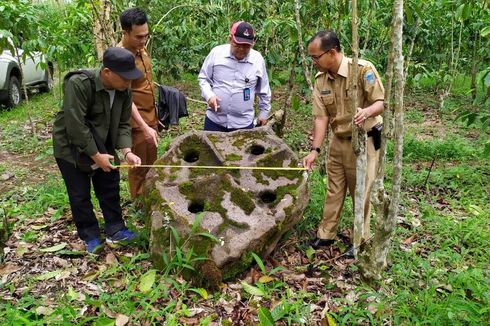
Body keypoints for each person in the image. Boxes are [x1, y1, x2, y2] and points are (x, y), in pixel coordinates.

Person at [53, 47, 143, 253]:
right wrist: (95, 156)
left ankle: (115, 229)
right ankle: (90, 235)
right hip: (70, 147)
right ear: (107, 72)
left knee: (109, 185)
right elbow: (75, 126)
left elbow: (122, 123)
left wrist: (128, 152)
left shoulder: (124, 90)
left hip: (104, 142)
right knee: (79, 193)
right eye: (125, 78)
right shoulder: (80, 84)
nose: (128, 83)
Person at [302, 30, 385, 256]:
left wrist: (366, 112)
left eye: (316, 57)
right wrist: (314, 150)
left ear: (332, 52)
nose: (313, 62)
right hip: (339, 140)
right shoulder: (321, 80)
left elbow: (380, 102)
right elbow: (321, 118)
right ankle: (326, 234)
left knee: (362, 190)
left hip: (365, 139)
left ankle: (361, 238)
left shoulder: (362, 70)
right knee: (334, 188)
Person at [198, 21, 272, 132]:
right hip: (215, 121)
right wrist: (209, 95)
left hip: (243, 124)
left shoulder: (257, 60)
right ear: (230, 39)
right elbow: (203, 78)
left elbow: (264, 90)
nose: (241, 49)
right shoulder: (216, 54)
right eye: (238, 44)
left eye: (246, 46)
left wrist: (263, 113)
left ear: (252, 44)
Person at [118, 7, 159, 199]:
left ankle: (150, 197)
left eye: (146, 36)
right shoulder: (120, 58)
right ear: (125, 33)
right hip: (136, 123)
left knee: (151, 162)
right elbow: (125, 97)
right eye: (138, 37)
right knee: (138, 166)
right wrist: (143, 126)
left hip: (150, 117)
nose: (143, 41)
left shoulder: (140, 49)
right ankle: (140, 203)